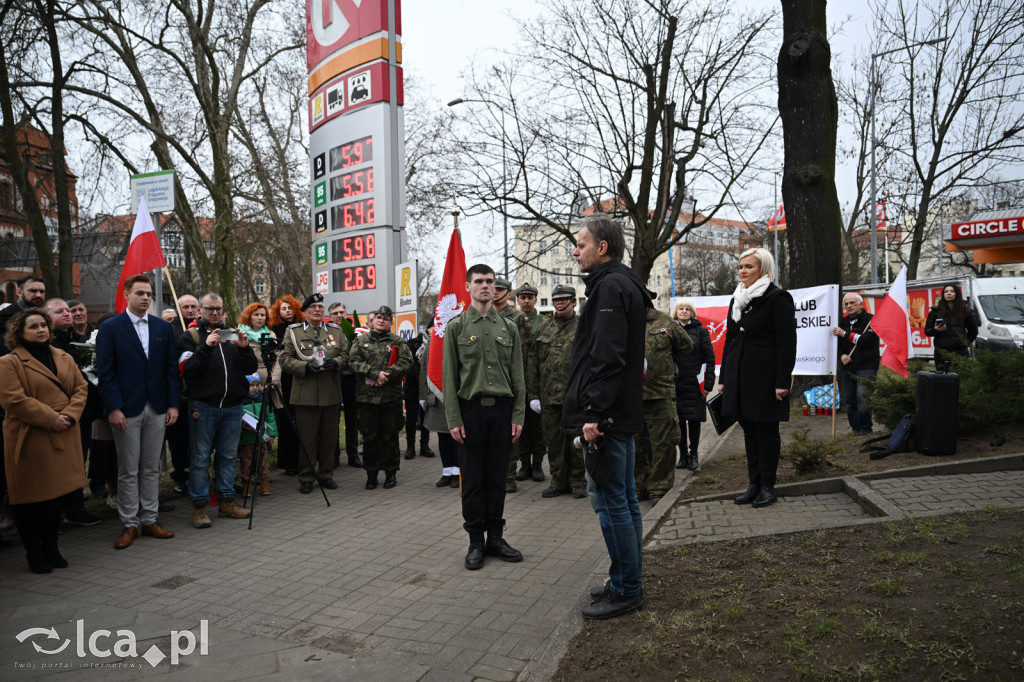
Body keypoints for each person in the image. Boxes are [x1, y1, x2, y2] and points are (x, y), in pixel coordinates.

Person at [563, 216, 651, 620]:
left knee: (612, 501)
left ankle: (627, 589)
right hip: (622, 413)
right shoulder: (620, 282)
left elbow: (607, 356)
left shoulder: (610, 287)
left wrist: (594, 414)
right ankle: (624, 580)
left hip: (609, 418)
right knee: (626, 500)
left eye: (580, 244)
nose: (575, 251)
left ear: (602, 248)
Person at [443, 264, 526, 570]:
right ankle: (475, 541)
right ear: (468, 287)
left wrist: (518, 414)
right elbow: (450, 379)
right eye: (479, 281)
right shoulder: (456, 328)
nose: (486, 286)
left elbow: (518, 375)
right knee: (474, 481)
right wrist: (454, 418)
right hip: (470, 412)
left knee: (498, 478)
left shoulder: (509, 328)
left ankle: (496, 538)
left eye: (490, 282)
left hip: (503, 413)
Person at [0, 309, 88, 573]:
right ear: (19, 332)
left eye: (43, 325)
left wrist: (69, 416)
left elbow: (80, 388)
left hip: (64, 430)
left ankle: (52, 547)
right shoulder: (9, 362)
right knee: (32, 500)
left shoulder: (63, 356)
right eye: (33, 326)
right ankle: (34, 552)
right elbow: (14, 400)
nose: (41, 330)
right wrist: (51, 419)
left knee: (57, 498)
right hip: (31, 436)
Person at [96, 274, 179, 549]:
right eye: (140, 293)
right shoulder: (111, 328)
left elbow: (170, 370)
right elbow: (105, 372)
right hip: (126, 409)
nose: (146, 298)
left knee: (151, 468)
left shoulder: (161, 328)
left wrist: (172, 404)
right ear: (127, 294)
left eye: (149, 293)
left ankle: (150, 519)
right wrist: (114, 407)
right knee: (128, 469)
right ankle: (129, 523)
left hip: (156, 407)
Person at [717, 248, 797, 510]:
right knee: (749, 432)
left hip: (765, 378)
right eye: (740, 266)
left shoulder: (777, 297)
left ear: (762, 269)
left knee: (766, 432)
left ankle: (767, 488)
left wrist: (782, 381)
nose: (742, 271)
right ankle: (753, 485)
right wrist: (723, 377)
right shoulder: (737, 299)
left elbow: (787, 343)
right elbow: (730, 341)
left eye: (748, 266)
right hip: (739, 377)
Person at [178, 292, 256, 528]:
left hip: (232, 406)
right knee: (200, 458)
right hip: (204, 407)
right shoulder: (190, 336)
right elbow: (187, 370)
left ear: (224, 311)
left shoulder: (232, 333)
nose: (214, 313)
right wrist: (206, 347)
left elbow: (250, 368)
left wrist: (244, 348)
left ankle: (226, 502)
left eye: (218, 309)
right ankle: (200, 508)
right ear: (200, 310)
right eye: (209, 309)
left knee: (227, 457)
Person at [278, 293, 347, 493]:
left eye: (320, 306)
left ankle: (326, 474)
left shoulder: (335, 330)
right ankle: (306, 477)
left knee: (329, 438)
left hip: (330, 392)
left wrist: (337, 363)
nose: (317, 310)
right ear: (305, 311)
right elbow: (284, 359)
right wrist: (304, 367)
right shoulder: (294, 331)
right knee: (307, 439)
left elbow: (345, 354)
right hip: (305, 394)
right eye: (313, 307)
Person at [43, 298, 103, 527]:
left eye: (69, 310)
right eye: (61, 311)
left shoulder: (79, 340)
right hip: (55, 414)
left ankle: (75, 508)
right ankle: (55, 513)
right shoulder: (48, 344)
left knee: (78, 459)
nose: (68, 314)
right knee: (57, 464)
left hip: (82, 412)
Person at [529, 284, 585, 499]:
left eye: (565, 300)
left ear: (573, 302)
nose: (560, 303)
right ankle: (558, 480)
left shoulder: (583, 327)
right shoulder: (543, 328)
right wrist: (533, 395)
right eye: (557, 300)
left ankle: (578, 481)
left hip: (575, 396)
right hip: (549, 395)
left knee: (576, 440)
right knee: (553, 441)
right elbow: (533, 363)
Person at [348, 305, 413, 489]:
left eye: (385, 318)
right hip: (367, 398)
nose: (381, 320)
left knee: (389, 436)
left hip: (390, 398)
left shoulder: (398, 341)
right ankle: (371, 474)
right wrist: (375, 373)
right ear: (373, 320)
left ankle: (391, 473)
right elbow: (353, 361)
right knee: (370, 437)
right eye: (378, 317)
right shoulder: (361, 341)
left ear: (391, 322)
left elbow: (407, 362)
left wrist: (388, 374)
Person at [634, 302, 691, 504]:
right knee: (635, 446)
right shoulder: (624, 320)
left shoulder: (664, 320)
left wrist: (665, 362)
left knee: (663, 445)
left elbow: (685, 345)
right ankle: (639, 487)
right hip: (632, 397)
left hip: (660, 394)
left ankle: (659, 488)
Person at [492, 276, 528, 493]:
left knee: (510, 433)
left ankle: (508, 475)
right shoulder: (484, 315)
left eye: (500, 289)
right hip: (490, 380)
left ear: (508, 293)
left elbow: (523, 353)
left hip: (511, 380)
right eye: (493, 289)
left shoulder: (517, 318)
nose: (494, 292)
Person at [673, 300, 715, 470]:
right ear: (676, 312)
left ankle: (694, 454)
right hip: (675, 383)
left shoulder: (701, 331)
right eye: (681, 309)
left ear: (692, 313)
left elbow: (710, 360)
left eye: (687, 309)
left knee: (694, 420)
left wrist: (708, 386)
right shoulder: (669, 330)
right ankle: (682, 456)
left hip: (694, 384)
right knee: (679, 421)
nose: (684, 311)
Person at [418, 324, 460, 488]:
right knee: (443, 435)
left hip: (456, 395)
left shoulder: (458, 335)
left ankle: (458, 472)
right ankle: (447, 471)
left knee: (456, 436)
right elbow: (424, 367)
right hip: (437, 395)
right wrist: (423, 395)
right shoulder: (434, 340)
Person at [832, 293, 880, 435]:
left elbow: (866, 340)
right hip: (848, 367)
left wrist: (845, 334)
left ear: (860, 304)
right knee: (850, 399)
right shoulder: (843, 322)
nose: (849, 306)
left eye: (852, 303)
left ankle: (865, 429)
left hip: (866, 366)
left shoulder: (871, 320)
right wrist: (841, 356)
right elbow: (838, 344)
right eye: (846, 304)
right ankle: (855, 428)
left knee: (863, 397)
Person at [513, 282, 547, 482]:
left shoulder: (544, 323)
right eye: (522, 297)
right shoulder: (511, 323)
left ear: (535, 299)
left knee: (539, 428)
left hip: (539, 383)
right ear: (517, 300)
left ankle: (538, 466)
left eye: (529, 297)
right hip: (518, 382)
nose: (526, 301)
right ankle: (524, 465)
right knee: (521, 427)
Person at [167, 294, 200, 493]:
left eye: (192, 306)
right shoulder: (170, 329)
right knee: (178, 439)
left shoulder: (202, 328)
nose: (189, 310)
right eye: (185, 306)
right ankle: (180, 475)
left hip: (200, 391)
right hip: (179, 392)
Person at [269, 295, 304, 476]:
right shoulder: (274, 329)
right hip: (282, 379)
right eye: (283, 308)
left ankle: (303, 460)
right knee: (286, 418)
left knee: (301, 420)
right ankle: (289, 462)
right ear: (278, 311)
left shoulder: (301, 328)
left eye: (290, 308)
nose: (287, 311)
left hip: (299, 376)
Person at [328, 302, 361, 468]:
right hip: (333, 378)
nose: (339, 315)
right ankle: (333, 456)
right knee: (333, 418)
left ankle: (353, 454)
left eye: (341, 312)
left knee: (351, 417)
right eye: (335, 313)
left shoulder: (354, 330)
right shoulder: (325, 331)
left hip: (351, 378)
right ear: (330, 316)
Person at [237, 373, 277, 497]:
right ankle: (247, 485)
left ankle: (265, 482)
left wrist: (272, 433)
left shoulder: (263, 400)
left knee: (263, 461)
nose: (254, 388)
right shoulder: (240, 402)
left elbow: (270, 417)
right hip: (246, 439)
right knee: (246, 463)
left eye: (257, 385)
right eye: (251, 385)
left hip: (261, 438)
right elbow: (236, 419)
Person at [925, 283, 979, 372]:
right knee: (942, 378)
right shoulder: (935, 312)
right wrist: (935, 330)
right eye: (946, 292)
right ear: (943, 295)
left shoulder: (965, 311)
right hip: (941, 353)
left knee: (960, 377)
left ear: (957, 294)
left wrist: (964, 343)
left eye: (952, 291)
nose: (948, 293)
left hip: (960, 352)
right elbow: (927, 331)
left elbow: (973, 331)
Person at [401, 325, 434, 461]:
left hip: (427, 388)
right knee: (411, 418)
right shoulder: (412, 343)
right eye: (434, 326)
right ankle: (410, 447)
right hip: (413, 387)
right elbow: (408, 363)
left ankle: (424, 446)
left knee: (425, 417)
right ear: (428, 328)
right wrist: (421, 375)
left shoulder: (437, 344)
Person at [237, 302, 277, 382]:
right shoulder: (240, 334)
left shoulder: (271, 335)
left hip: (268, 379)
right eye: (256, 315)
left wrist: (275, 378)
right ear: (248, 316)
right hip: (246, 380)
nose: (260, 318)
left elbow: (277, 360)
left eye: (263, 315)